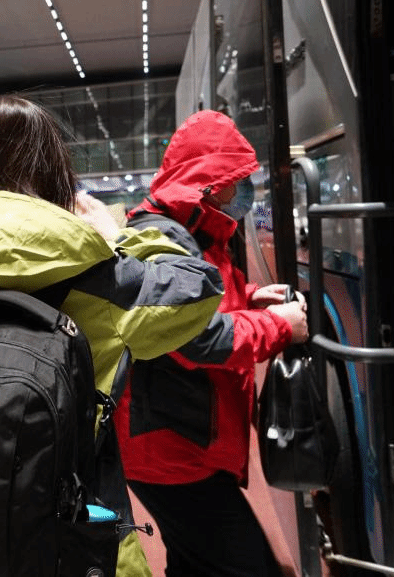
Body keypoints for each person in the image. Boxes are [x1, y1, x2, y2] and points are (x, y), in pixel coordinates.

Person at [0, 96, 226, 576]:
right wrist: (115, 235)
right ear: (54, 171)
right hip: (76, 547)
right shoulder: (102, 277)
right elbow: (200, 289)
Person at [114, 110, 309, 577]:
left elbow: (202, 302)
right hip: (171, 449)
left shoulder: (189, 232)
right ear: (208, 184)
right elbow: (194, 337)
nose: (244, 190)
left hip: (177, 439)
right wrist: (279, 326)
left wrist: (250, 298)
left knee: (196, 562)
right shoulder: (165, 237)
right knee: (245, 567)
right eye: (235, 181)